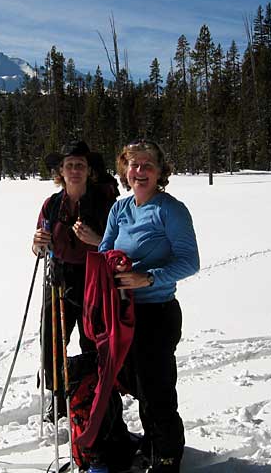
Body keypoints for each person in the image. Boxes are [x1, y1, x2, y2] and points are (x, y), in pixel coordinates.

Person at [99, 140, 199, 473]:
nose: (139, 172)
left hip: (156, 312)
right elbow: (104, 251)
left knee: (156, 390)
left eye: (147, 165)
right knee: (135, 385)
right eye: (133, 165)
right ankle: (153, 444)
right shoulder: (120, 209)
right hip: (122, 313)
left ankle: (167, 456)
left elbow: (189, 262)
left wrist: (148, 278)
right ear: (124, 170)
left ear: (159, 172)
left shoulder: (171, 209)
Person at [32, 140, 117, 422]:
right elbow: (39, 246)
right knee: (52, 339)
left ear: (89, 170)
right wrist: (38, 244)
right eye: (69, 165)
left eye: (80, 165)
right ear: (61, 171)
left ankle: (91, 392)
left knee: (92, 340)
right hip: (58, 278)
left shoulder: (106, 203)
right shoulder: (52, 204)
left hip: (94, 278)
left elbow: (119, 245)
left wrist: (98, 240)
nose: (74, 170)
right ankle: (58, 396)